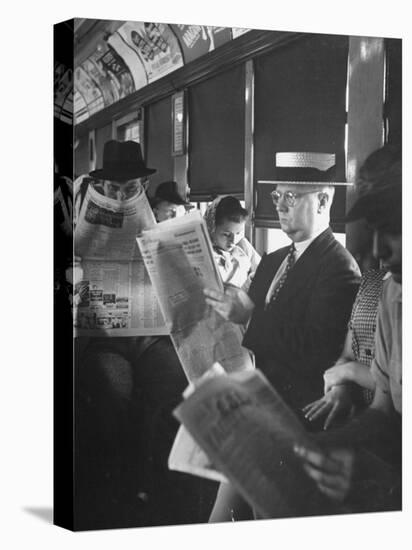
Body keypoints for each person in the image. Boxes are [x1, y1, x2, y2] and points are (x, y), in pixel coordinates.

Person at [205, 151, 361, 522]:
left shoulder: (338, 267)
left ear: (323, 201)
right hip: (259, 402)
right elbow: (255, 330)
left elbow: (317, 351)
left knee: (261, 515)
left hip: (297, 413)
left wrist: (251, 316)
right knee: (217, 519)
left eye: (291, 197)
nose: (281, 206)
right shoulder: (272, 261)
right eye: (277, 197)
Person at [295, 143, 402, 513]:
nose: (378, 251)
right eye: (373, 229)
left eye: (393, 229)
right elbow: (385, 411)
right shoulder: (390, 292)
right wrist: (327, 446)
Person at [302, 266, 388, 430]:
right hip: (358, 411)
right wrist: (340, 388)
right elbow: (348, 352)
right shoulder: (372, 279)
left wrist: (351, 372)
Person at [204, 195, 261, 291]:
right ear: (211, 228)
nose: (233, 241)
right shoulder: (204, 252)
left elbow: (262, 271)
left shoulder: (242, 245)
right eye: (226, 235)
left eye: (238, 233)